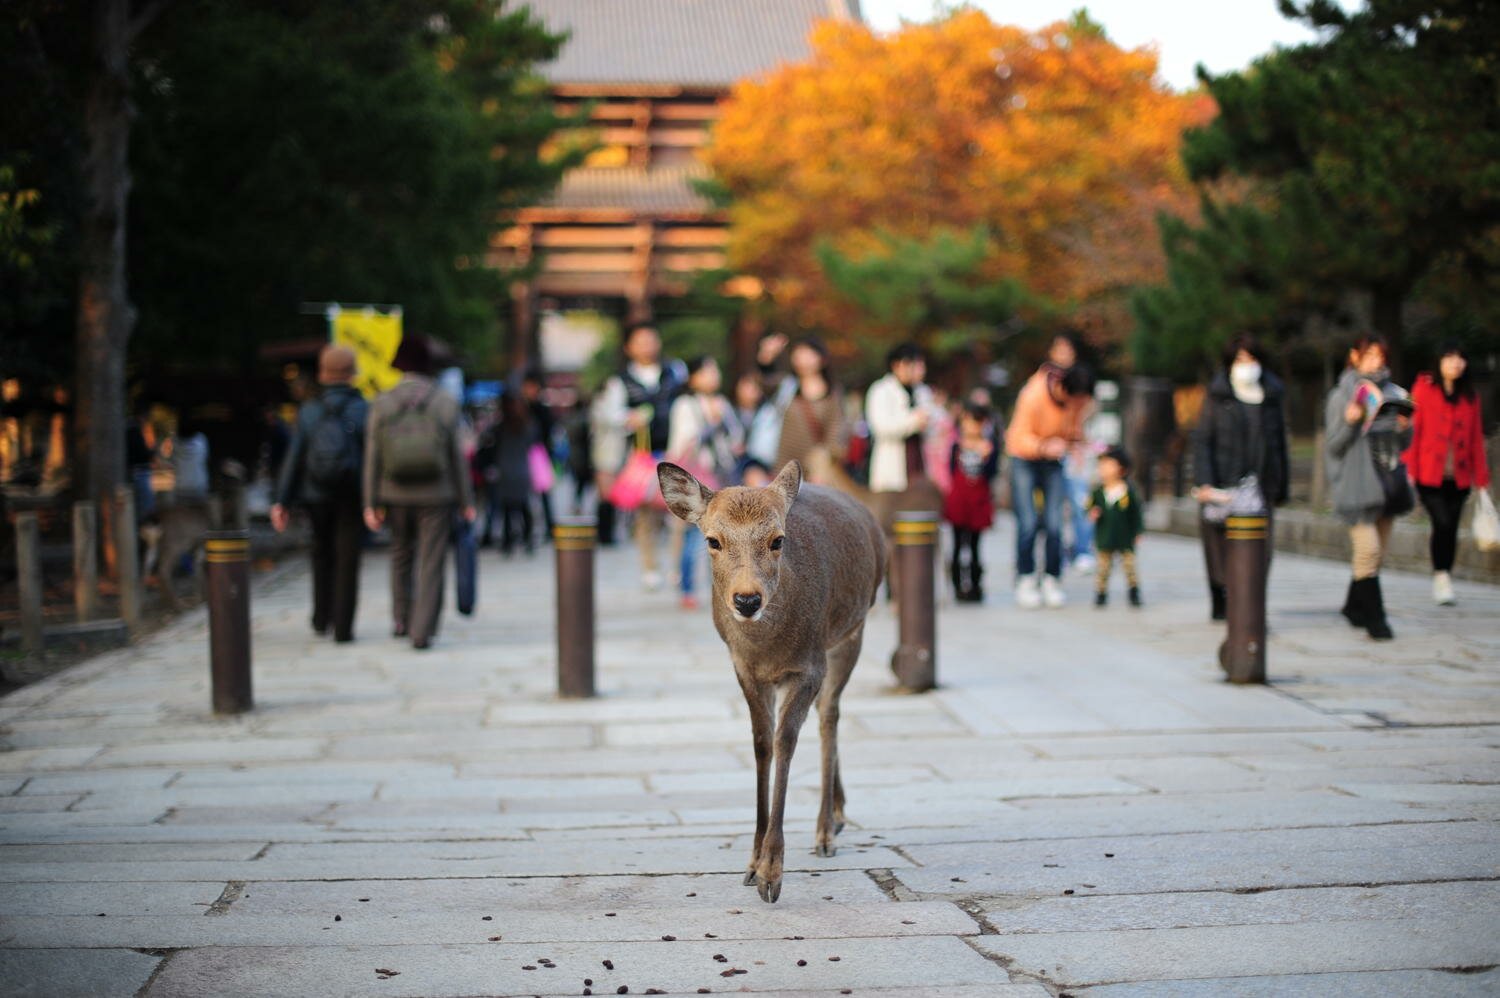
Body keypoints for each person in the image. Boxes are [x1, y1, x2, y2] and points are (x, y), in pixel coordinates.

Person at [363, 338, 476, 650]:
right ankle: (422, 629)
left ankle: (401, 618)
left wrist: (370, 501)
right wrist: (467, 501)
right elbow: (457, 456)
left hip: (394, 492)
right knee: (431, 559)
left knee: (400, 554)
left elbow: (372, 456)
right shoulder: (444, 401)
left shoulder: (383, 402)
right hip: (436, 494)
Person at [271, 344, 368, 642]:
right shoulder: (364, 408)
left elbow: (295, 456)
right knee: (348, 558)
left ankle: (320, 617)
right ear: (352, 375)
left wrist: (282, 500)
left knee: (321, 553)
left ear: (324, 374)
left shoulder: (309, 411)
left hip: (315, 493)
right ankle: (343, 626)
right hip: (352, 493)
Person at [1192, 335, 1291, 620]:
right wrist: (1205, 481)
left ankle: (1250, 603)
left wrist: (1280, 485)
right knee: (1218, 546)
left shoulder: (1271, 395)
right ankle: (1221, 594)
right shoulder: (1217, 395)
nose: (1246, 366)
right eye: (1240, 360)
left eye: (1251, 359)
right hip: (1224, 482)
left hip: (1261, 484)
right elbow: (1203, 440)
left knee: (1261, 547)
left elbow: (1279, 442)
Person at [1325, 335, 1413, 641]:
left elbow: (1402, 445)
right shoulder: (1341, 396)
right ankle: (1377, 621)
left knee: (1376, 556)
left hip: (1387, 482)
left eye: (1380, 356)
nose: (1376, 362)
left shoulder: (1392, 392)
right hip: (1356, 486)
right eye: (1370, 355)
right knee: (1369, 550)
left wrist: (1405, 429)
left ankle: (1353, 606)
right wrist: (1350, 421)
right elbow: (1333, 447)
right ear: (1354, 356)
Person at [597, 322, 686, 589]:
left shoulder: (675, 373)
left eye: (651, 339)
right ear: (629, 347)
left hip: (674, 453)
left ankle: (676, 566)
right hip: (641, 458)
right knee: (645, 514)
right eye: (640, 340)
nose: (647, 345)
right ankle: (650, 567)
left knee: (680, 512)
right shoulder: (619, 381)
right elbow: (609, 416)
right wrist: (629, 418)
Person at [1404, 343, 1489, 605]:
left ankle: (1444, 575)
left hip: (1459, 477)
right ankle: (1441, 574)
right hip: (1430, 474)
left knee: (1450, 527)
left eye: (1461, 359)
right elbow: (1412, 433)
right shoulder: (1423, 390)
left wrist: (1482, 479)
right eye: (1450, 357)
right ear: (1439, 361)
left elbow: (1476, 439)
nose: (1456, 363)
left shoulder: (1470, 397)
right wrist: (1409, 469)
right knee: (1441, 522)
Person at [1005, 362, 1093, 608]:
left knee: (1055, 523)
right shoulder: (1032, 395)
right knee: (1028, 522)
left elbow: (1073, 430)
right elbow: (1017, 438)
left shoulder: (1076, 403)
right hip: (1024, 459)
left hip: (1054, 461)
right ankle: (1026, 577)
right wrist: (1044, 446)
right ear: (1064, 390)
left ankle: (1052, 578)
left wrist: (1076, 445)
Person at [666, 356, 737, 609]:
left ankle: (718, 586)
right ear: (694, 378)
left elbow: (735, 437)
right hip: (696, 479)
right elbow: (685, 440)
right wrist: (713, 424)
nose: (713, 375)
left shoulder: (722, 402)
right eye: (707, 371)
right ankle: (687, 587)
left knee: (723, 535)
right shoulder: (685, 405)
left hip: (722, 476)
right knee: (695, 535)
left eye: (714, 370)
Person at [944, 403, 999, 603]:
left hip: (978, 502)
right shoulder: (956, 446)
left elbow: (992, 474)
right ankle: (958, 586)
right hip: (959, 502)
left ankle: (976, 585)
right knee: (958, 546)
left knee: (976, 547)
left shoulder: (989, 446)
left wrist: (986, 458)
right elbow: (951, 472)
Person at [774, 336, 845, 483]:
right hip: (785, 466)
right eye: (799, 353)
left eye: (808, 353)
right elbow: (762, 382)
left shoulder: (832, 394)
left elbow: (835, 432)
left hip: (817, 471)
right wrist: (767, 358)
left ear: (822, 358)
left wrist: (822, 467)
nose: (803, 358)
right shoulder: (786, 388)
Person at [1088, 446, 1144, 607]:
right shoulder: (1098, 492)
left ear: (1121, 469)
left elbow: (1136, 514)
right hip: (1105, 537)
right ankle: (1101, 592)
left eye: (1108, 465)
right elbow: (1088, 507)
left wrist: (1138, 531)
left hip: (1125, 537)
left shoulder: (1128, 492)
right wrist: (1092, 513)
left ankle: (1134, 591)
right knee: (1103, 568)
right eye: (1101, 465)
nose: (1103, 469)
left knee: (1129, 566)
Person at [493, 392, 536, 556]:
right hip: (522, 469)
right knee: (524, 508)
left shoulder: (501, 426)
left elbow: (493, 447)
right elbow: (533, 443)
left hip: (505, 470)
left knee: (507, 510)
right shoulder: (528, 425)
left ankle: (508, 543)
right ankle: (528, 539)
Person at [520, 372, 557, 539]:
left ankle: (549, 526)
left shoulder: (542, 409)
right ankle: (527, 529)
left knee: (544, 492)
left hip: (539, 454)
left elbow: (549, 432)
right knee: (525, 493)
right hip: (523, 454)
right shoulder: (519, 408)